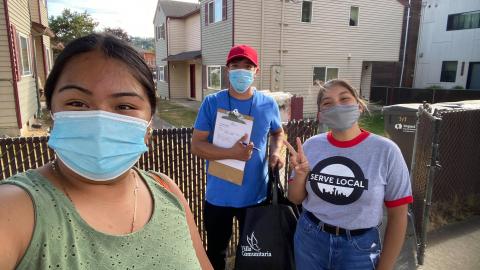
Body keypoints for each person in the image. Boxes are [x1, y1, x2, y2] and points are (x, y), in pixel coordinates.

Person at [0, 33, 212, 270]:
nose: (100, 120)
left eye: (124, 106)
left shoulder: (166, 190)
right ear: (52, 113)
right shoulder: (14, 209)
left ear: (149, 123)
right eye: (77, 103)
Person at [285, 79, 413, 270]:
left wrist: (385, 267)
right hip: (310, 238)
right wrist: (301, 174)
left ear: (359, 106)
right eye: (327, 103)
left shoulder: (386, 151)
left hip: (359, 248)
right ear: (321, 115)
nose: (337, 105)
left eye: (344, 99)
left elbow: (399, 215)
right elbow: (295, 198)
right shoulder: (311, 145)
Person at [191, 44, 284, 269]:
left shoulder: (268, 103)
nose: (241, 71)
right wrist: (232, 153)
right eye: (235, 66)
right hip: (218, 197)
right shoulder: (212, 103)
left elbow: (278, 132)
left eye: (247, 66)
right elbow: (196, 146)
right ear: (227, 70)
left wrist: (275, 153)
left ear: (256, 71)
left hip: (256, 197)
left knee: (253, 256)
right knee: (215, 254)